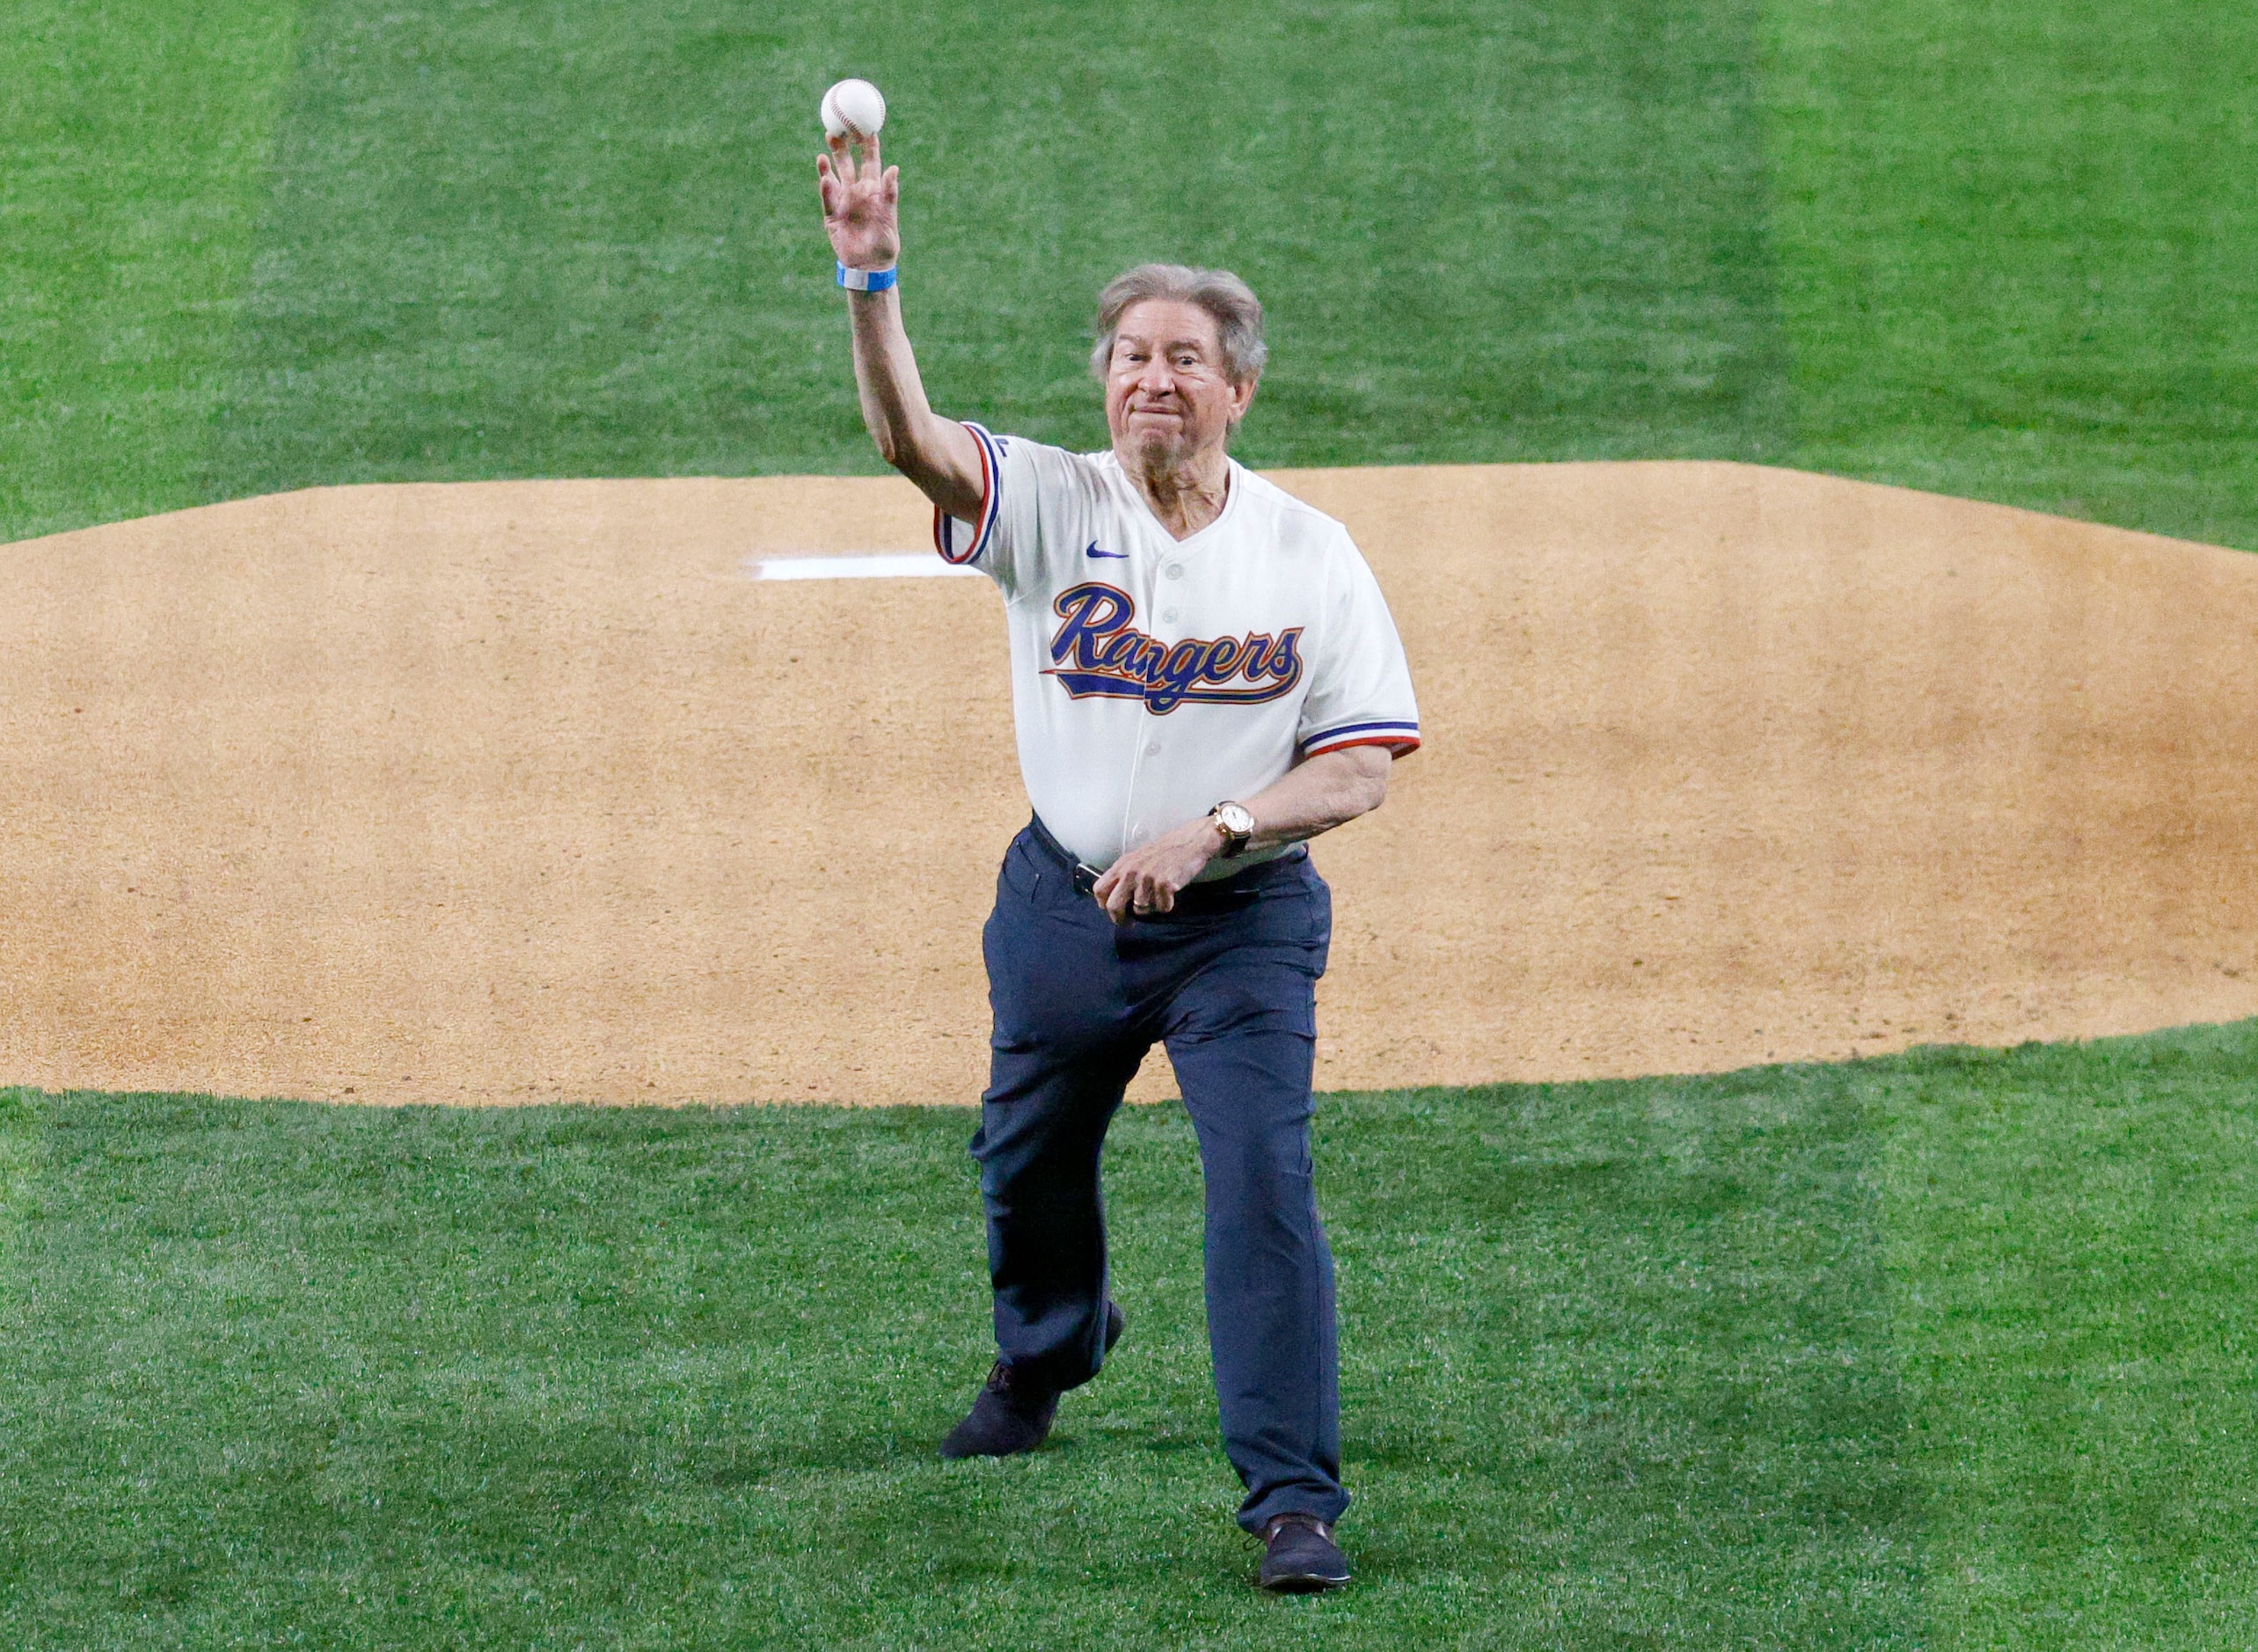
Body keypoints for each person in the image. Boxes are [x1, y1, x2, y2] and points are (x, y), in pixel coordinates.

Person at [816, 124, 1420, 1594]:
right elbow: (915, 443)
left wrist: (1218, 828)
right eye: (1131, 356)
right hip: (1062, 910)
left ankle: (1293, 1499)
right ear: (1104, 382)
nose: (1155, 378)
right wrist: (868, 276)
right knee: (1026, 1170)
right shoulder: (1057, 504)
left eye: (1186, 359)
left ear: (1240, 386)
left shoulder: (1308, 552)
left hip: (1242, 927)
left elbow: (1358, 763)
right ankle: (1048, 1353)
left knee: (1263, 1180)